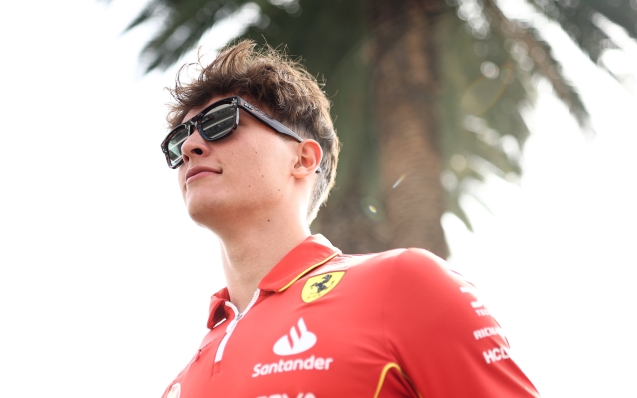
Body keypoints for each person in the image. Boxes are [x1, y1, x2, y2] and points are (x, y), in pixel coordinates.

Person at [158, 40, 539, 398]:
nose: (191, 147)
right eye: (179, 141)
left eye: (221, 121)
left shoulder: (404, 284)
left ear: (304, 159)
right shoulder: (179, 381)